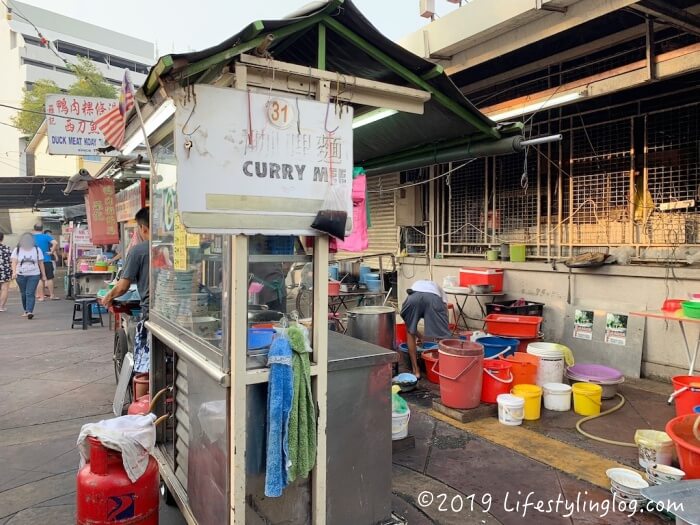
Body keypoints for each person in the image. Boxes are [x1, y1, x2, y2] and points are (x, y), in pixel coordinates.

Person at [100, 208, 150, 373]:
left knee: (144, 369)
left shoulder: (138, 251)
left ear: (143, 228)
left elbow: (123, 286)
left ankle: (143, 399)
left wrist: (108, 296)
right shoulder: (176, 246)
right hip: (179, 316)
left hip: (151, 315)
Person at [400, 279, 451, 379]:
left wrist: (418, 335)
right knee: (442, 337)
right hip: (432, 299)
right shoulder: (438, 288)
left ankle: (416, 371)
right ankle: (443, 368)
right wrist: (444, 329)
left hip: (413, 297)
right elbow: (445, 309)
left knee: (410, 332)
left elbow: (409, 323)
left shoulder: (417, 284)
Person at [10, 232, 46, 319]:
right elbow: (14, 262)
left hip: (34, 274)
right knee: (23, 293)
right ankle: (26, 310)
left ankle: (29, 311)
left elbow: (41, 263)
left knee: (30, 293)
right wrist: (14, 272)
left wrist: (44, 275)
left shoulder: (37, 250)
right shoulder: (17, 250)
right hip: (20, 275)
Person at [32, 224, 58, 301]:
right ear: (42, 229)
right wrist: (51, 251)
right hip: (46, 259)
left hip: (36, 260)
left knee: (39, 279)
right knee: (49, 278)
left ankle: (41, 296)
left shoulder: (31, 238)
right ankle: (52, 295)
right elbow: (55, 243)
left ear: (34, 229)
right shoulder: (46, 236)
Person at [0, 233, 11, 312]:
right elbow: (11, 260)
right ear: (2, 238)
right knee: (4, 289)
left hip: (5, 270)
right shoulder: (7, 248)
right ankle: (1, 307)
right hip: (5, 270)